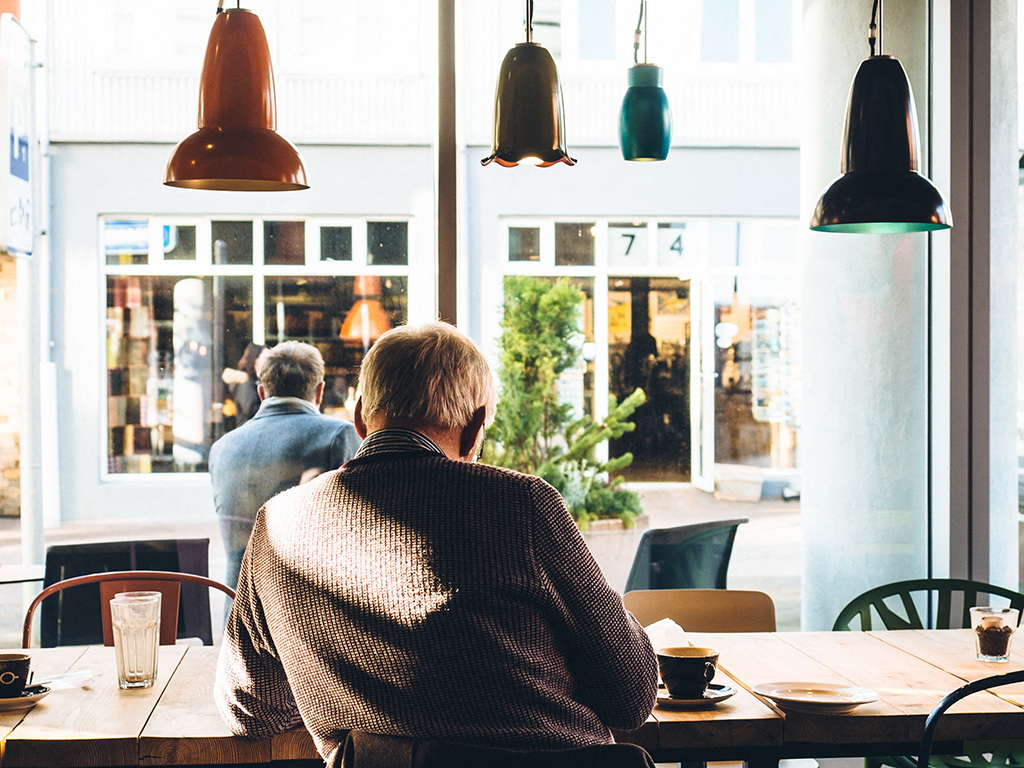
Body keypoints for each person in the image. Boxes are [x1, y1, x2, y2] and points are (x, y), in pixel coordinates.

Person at [215, 322, 658, 766]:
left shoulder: (278, 524)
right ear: (474, 429)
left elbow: (250, 710)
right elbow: (631, 695)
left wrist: (337, 685)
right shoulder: (523, 506)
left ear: (360, 417)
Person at [208, 340, 361, 596]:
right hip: (305, 617)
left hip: (237, 617)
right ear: (320, 392)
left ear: (262, 393)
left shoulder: (221, 447)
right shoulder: (338, 436)